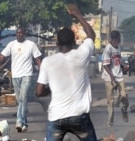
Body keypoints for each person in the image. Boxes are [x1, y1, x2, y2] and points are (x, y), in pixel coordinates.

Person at [36, 4, 97, 141]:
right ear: (74, 41)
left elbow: (39, 92)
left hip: (56, 118)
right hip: (79, 117)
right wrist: (78, 15)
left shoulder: (47, 61)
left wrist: (52, 89)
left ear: (57, 43)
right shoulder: (81, 55)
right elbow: (91, 35)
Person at [0, 27, 42, 132]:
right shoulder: (11, 45)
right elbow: (2, 57)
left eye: (21, 32)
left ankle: (19, 120)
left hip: (27, 74)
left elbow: (37, 59)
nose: (19, 34)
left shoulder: (31, 45)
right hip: (16, 75)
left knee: (23, 96)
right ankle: (25, 123)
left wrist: (42, 72)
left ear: (24, 33)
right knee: (20, 100)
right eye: (17, 33)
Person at [101, 30, 129, 127]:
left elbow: (118, 61)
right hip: (109, 78)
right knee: (110, 101)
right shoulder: (108, 49)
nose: (115, 42)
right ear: (111, 39)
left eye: (116, 40)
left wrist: (123, 66)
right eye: (113, 40)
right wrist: (112, 76)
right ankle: (110, 121)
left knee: (124, 96)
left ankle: (124, 110)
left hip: (119, 76)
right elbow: (105, 65)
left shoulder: (118, 47)